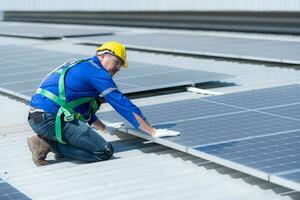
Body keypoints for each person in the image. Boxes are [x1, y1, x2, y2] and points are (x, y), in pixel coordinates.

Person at [27, 41, 180, 166]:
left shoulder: (82, 65)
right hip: (50, 119)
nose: (118, 68)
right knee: (103, 151)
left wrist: (106, 128)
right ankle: (47, 144)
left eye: (120, 65)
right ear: (104, 55)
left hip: (37, 117)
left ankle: (54, 142)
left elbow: (82, 109)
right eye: (117, 62)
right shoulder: (97, 73)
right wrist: (152, 131)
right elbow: (121, 103)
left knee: (91, 114)